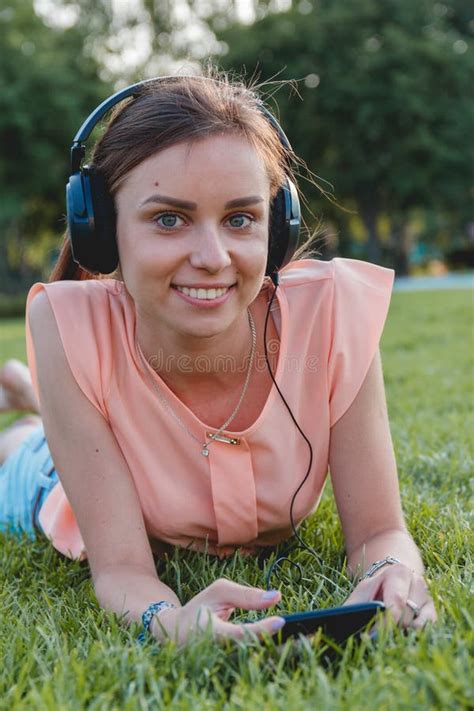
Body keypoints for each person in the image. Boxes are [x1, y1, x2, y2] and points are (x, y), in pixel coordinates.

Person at [0, 69, 436, 647]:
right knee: (23, 461)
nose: (212, 257)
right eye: (169, 218)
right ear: (101, 229)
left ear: (276, 227)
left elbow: (380, 530)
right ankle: (29, 416)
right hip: (54, 480)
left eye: (239, 219)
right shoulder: (66, 323)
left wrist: (392, 575)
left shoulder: (334, 313)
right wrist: (168, 619)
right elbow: (123, 571)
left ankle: (30, 397)